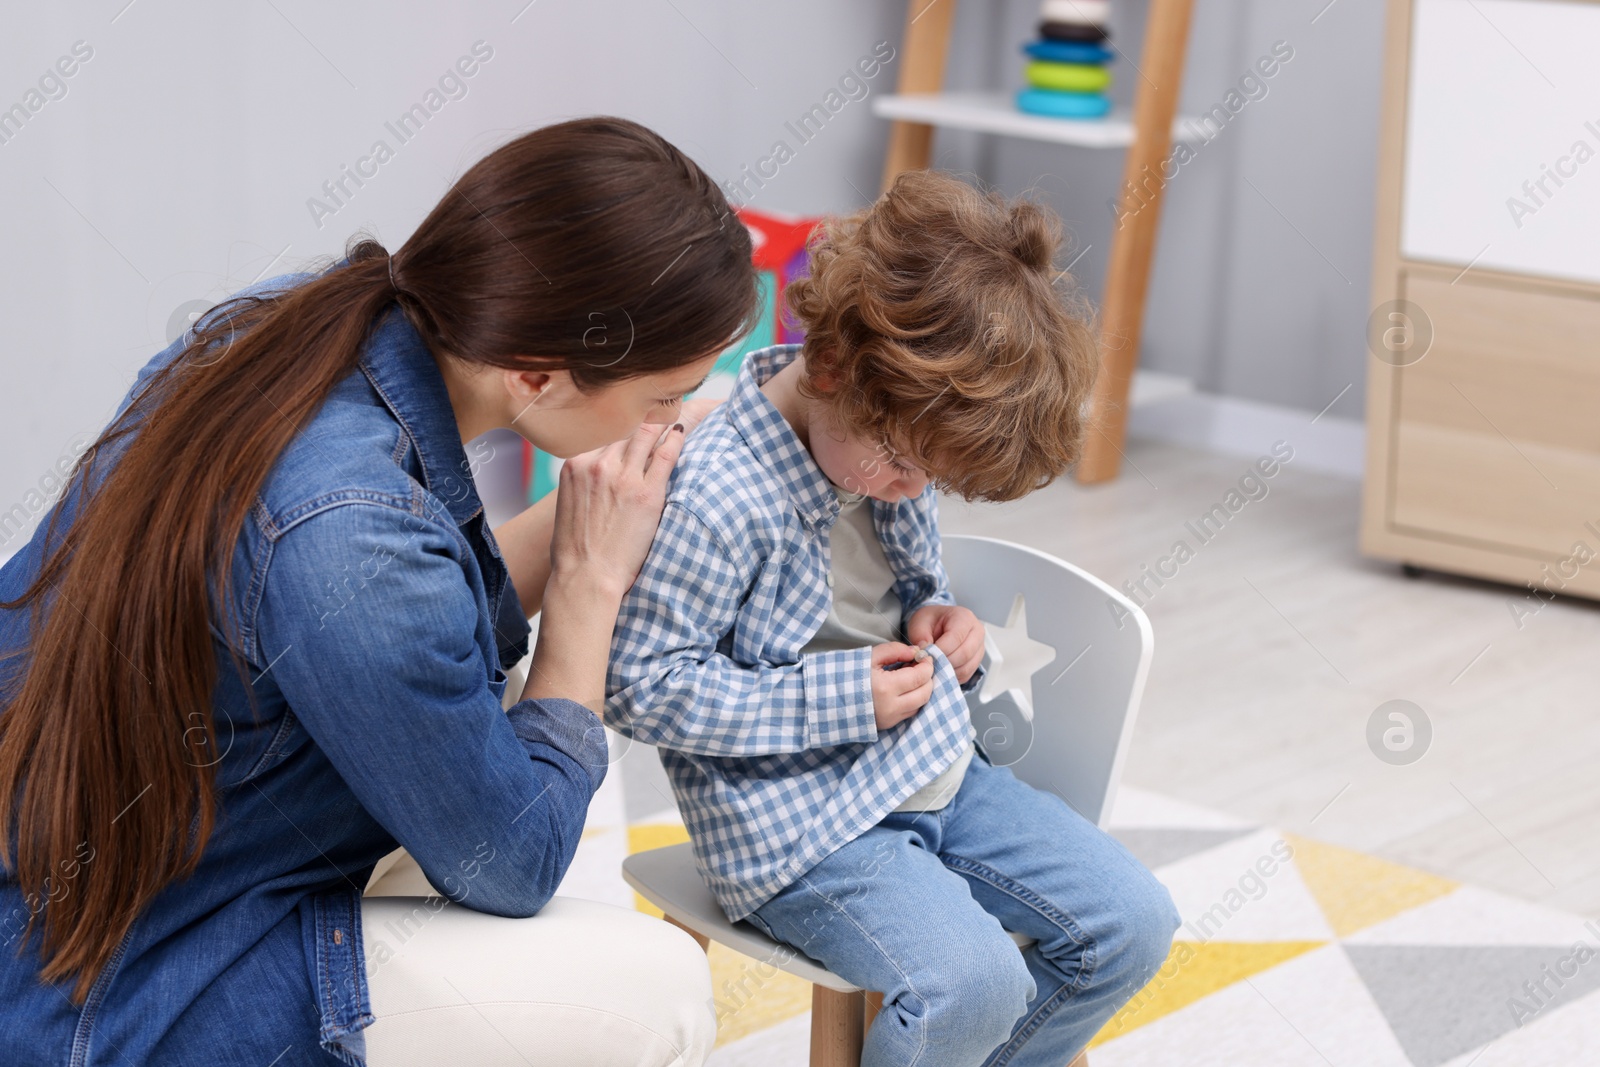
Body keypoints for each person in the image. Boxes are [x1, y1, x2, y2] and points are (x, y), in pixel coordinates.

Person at [0, 116, 758, 1066]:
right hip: (123, 978)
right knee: (658, 988)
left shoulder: (291, 323)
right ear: (536, 373)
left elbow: (420, 626)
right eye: (665, 397)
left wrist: (593, 521)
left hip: (101, 862)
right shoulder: (354, 533)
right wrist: (588, 587)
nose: (677, 419)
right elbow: (512, 859)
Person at [604, 169, 1181, 1066]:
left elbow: (896, 599)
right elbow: (641, 687)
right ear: (834, 368)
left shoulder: (878, 453)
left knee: (1136, 923)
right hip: (794, 827)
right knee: (974, 982)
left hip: (930, 771)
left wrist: (952, 629)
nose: (917, 490)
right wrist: (846, 699)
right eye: (909, 465)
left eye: (933, 479)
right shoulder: (720, 495)